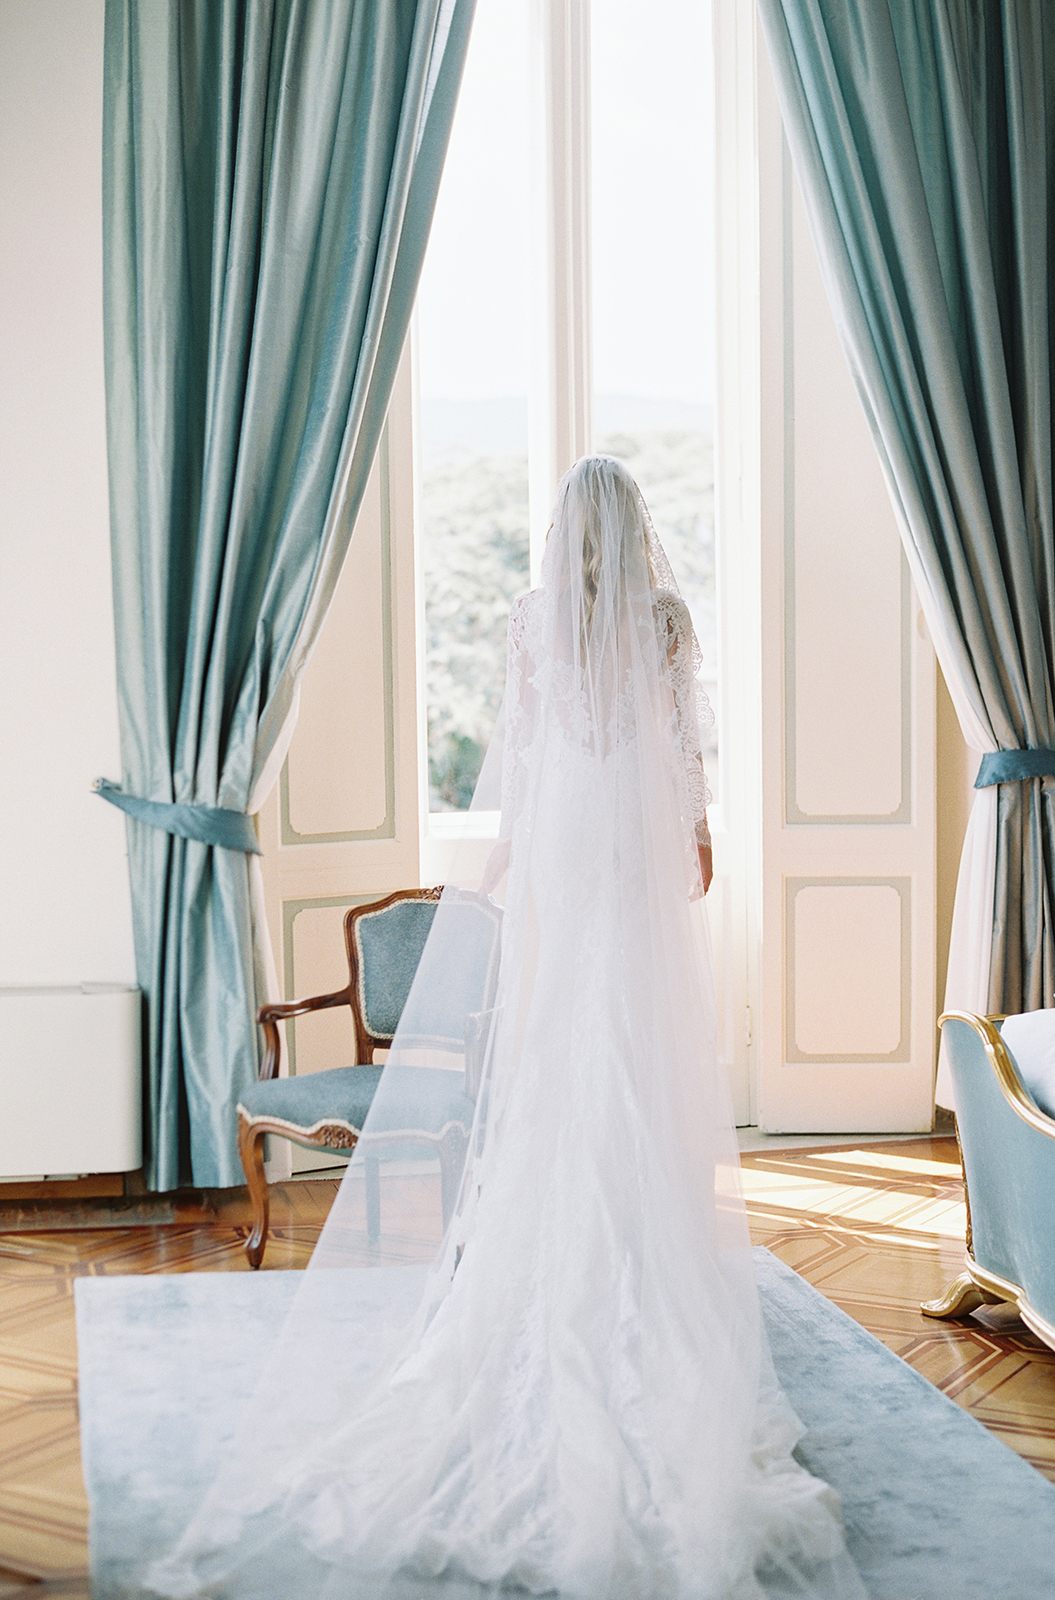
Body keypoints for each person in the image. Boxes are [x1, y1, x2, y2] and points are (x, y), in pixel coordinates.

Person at [145, 457, 864, 1599]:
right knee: (633, 1059)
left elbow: (523, 762)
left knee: (560, 1066)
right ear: (634, 531)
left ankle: (556, 1260)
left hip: (571, 861)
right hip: (626, 864)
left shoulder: (536, 624)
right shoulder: (667, 620)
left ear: (561, 534)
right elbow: (682, 756)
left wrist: (509, 871)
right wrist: (700, 841)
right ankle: (637, 1256)